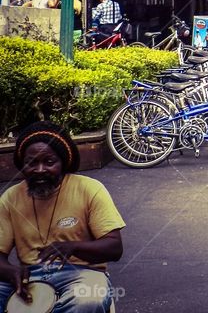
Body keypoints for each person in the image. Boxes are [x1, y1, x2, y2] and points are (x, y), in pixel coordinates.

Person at [0, 122, 125, 313]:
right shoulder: (10, 198)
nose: (40, 169)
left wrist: (73, 247)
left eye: (49, 162)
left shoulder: (90, 189)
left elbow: (115, 248)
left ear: (63, 162)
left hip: (82, 274)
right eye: (32, 163)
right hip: (29, 277)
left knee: (88, 300)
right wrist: (11, 271)